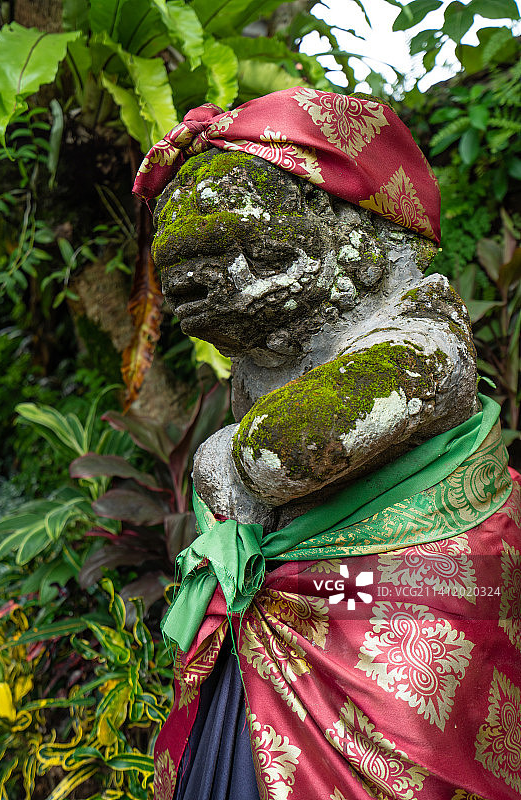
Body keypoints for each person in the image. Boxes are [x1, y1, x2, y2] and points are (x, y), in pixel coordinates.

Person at [133, 88, 521, 800]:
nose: (195, 287)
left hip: (399, 616)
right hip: (280, 619)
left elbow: (281, 458)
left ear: (351, 234)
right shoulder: (260, 368)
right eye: (181, 273)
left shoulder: (420, 334)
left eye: (237, 251)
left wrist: (234, 459)